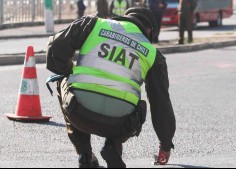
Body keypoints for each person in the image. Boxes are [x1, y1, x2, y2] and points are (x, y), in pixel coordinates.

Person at [46, 7, 176, 168]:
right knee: (138, 102)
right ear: (149, 31)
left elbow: (56, 47)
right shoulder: (153, 54)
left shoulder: (94, 24)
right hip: (120, 124)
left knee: (64, 79)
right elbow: (161, 103)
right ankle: (112, 147)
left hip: (78, 112)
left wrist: (67, 70)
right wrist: (165, 143)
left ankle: (85, 155)